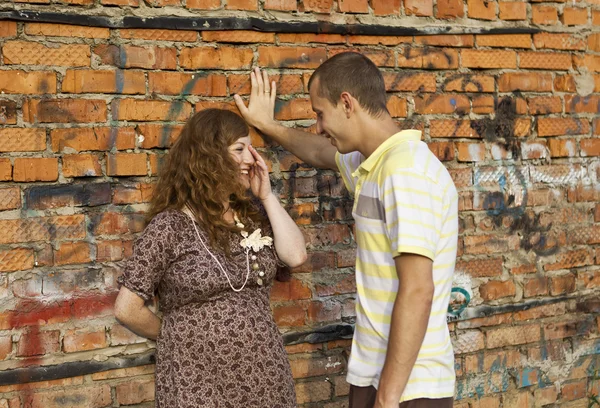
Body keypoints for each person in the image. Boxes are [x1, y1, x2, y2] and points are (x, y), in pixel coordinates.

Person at [234, 53, 458, 408]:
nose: (319, 126)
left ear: (347, 103)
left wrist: (388, 397)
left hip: (410, 387)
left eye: (320, 114)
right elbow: (321, 151)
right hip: (374, 373)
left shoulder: (407, 172)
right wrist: (269, 125)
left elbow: (419, 289)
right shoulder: (373, 164)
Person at [114, 108, 307, 408]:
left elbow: (295, 256)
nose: (249, 159)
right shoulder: (171, 226)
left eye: (250, 149)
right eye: (239, 149)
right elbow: (126, 308)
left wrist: (267, 197)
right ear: (210, 156)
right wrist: (176, 336)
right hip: (197, 383)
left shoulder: (251, 215)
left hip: (264, 377)